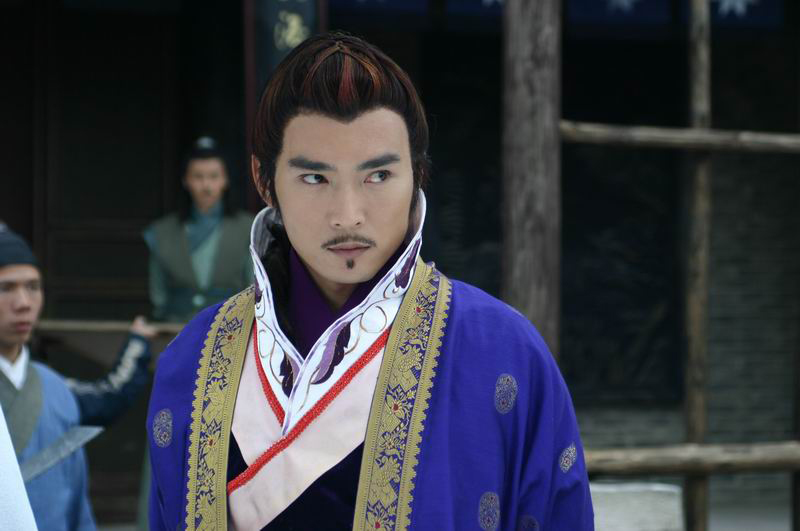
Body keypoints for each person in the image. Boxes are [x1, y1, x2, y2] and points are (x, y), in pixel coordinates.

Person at [147, 33, 594, 530]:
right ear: (263, 179)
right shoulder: (193, 362)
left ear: (417, 175)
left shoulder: (504, 353)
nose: (348, 215)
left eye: (377, 176)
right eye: (315, 178)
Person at [0, 225, 155, 530]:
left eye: (33, 287)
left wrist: (137, 344)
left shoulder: (56, 389)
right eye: (6, 288)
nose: (23, 303)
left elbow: (78, 508)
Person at [143, 137, 254, 323]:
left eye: (214, 176)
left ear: (225, 179)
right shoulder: (161, 232)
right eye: (198, 177)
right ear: (185, 180)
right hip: (177, 326)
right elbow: (158, 296)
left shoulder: (248, 228)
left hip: (231, 328)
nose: (206, 186)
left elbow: (252, 287)